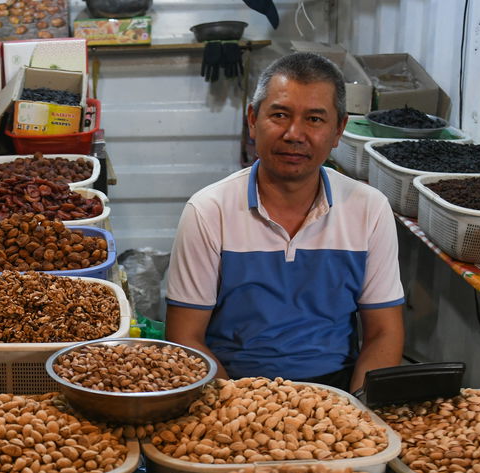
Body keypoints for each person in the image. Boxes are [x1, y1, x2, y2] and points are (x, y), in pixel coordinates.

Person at [165, 52, 404, 392]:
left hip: (335, 392)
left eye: (315, 120)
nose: (294, 134)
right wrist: (243, 411)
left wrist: (358, 410)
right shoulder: (209, 210)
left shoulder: (369, 209)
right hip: (232, 389)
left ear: (339, 130)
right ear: (252, 119)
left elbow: (384, 332)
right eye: (279, 115)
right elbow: (185, 338)